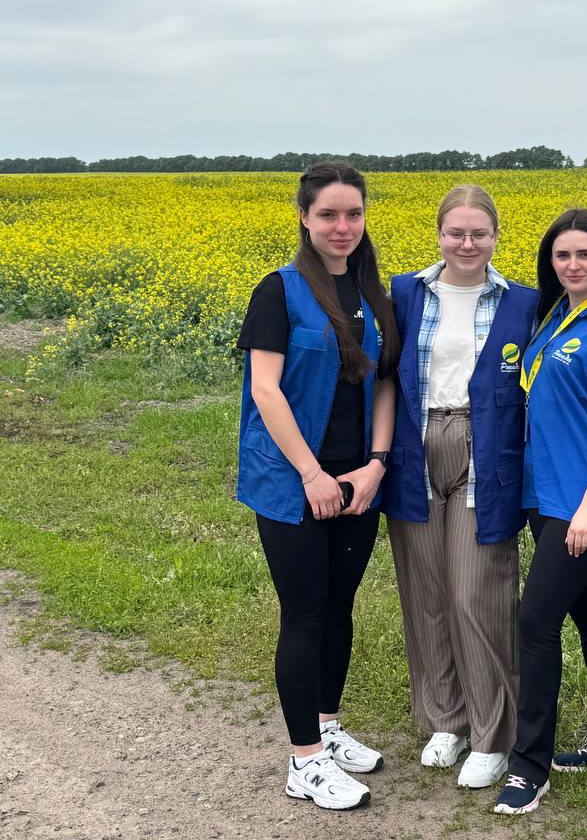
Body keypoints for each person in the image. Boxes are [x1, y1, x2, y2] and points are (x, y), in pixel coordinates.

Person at [235, 163, 401, 811]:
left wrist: (376, 465)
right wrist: (311, 474)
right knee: (304, 613)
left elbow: (384, 381)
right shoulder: (278, 291)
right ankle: (303, 761)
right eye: (328, 214)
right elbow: (266, 390)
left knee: (339, 608)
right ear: (304, 217)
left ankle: (327, 730)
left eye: (353, 214)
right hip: (292, 481)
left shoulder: (370, 292)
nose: (342, 226)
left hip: (356, 480)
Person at [381, 184, 537, 789]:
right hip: (414, 446)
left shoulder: (522, 302)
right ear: (439, 234)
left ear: (495, 236)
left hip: (484, 448)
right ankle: (446, 719)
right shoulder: (405, 293)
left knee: (478, 593)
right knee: (426, 591)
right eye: (456, 232)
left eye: (479, 233)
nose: (467, 244)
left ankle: (492, 734)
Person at [493, 208, 587, 816]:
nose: (573, 264)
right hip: (546, 493)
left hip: (583, 502)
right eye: (562, 255)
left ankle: (529, 767)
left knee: (535, 623)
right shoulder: (556, 315)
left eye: (584, 254)